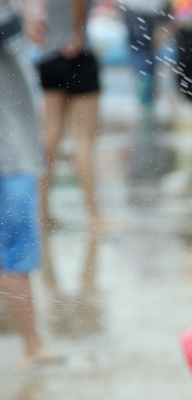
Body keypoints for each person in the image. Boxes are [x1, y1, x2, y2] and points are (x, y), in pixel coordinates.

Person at [0, 0, 58, 366]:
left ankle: (33, 342)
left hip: (15, 149)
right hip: (9, 154)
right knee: (15, 253)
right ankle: (33, 343)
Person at [35, 0, 105, 295]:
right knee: (84, 141)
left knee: (50, 137)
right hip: (78, 53)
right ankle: (93, 215)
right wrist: (76, 33)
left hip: (48, 55)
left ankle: (42, 211)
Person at [117, 0, 170, 112]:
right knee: (150, 53)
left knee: (139, 53)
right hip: (154, 9)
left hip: (134, 8)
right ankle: (148, 90)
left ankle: (144, 89)